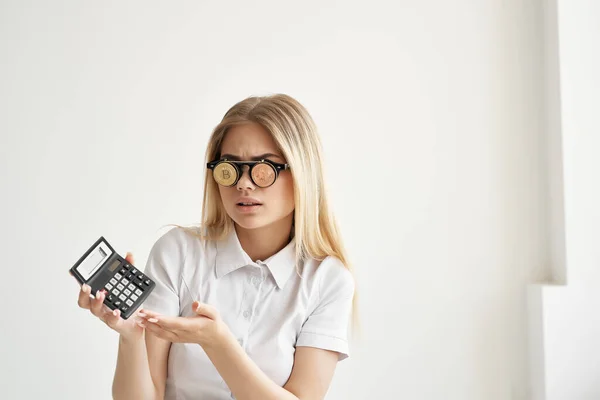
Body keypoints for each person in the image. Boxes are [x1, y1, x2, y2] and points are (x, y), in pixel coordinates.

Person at [73, 93, 357, 400]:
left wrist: (217, 342)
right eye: (230, 168)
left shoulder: (328, 280)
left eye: (264, 168)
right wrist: (131, 337)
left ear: (302, 172)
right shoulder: (177, 252)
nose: (243, 183)